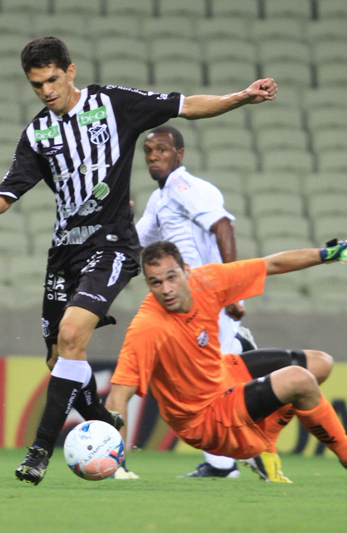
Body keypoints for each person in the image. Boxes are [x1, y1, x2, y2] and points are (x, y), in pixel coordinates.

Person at [0, 36, 278, 486]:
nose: (47, 91)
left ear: (70, 71)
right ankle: (105, 424)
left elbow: (186, 105)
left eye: (52, 79)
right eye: (37, 85)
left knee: (74, 333)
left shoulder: (113, 104)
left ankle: (39, 454)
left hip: (112, 244)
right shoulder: (38, 133)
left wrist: (242, 97)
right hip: (64, 253)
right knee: (59, 361)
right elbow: (8, 192)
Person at [106, 237, 347, 479]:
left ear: (186, 270)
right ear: (148, 285)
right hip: (204, 417)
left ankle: (266, 447)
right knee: (299, 380)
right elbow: (119, 395)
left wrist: (329, 253)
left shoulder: (207, 281)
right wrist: (116, 465)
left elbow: (271, 263)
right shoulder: (147, 327)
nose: (167, 289)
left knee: (320, 363)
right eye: (156, 282)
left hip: (223, 375)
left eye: (172, 277)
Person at [134, 125, 335, 482]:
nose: (154, 157)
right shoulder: (160, 199)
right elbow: (138, 240)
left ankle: (230, 460)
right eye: (148, 152)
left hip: (207, 299)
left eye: (162, 150)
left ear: (180, 154)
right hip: (189, 304)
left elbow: (222, 226)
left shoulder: (186, 187)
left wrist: (233, 292)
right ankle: (233, 456)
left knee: (213, 387)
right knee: (210, 384)